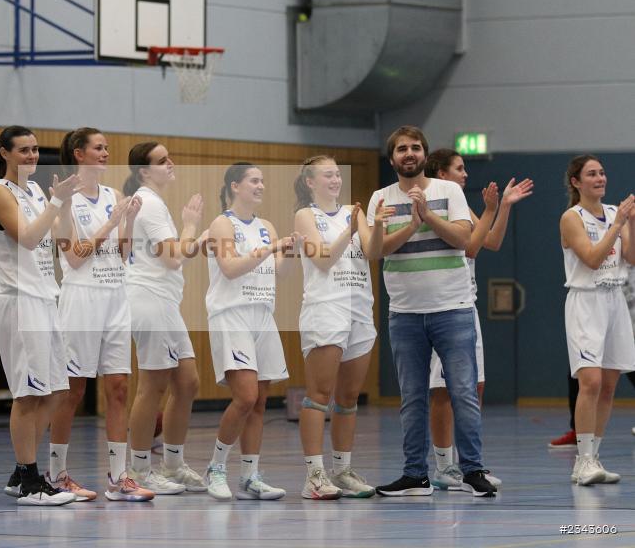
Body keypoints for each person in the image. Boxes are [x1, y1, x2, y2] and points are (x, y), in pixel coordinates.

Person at [370, 125, 497, 498]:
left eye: (414, 148)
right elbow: (377, 251)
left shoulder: (450, 190)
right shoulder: (381, 197)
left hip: (452, 309)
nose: (408, 154)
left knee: (463, 392)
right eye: (401, 149)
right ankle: (415, 474)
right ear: (392, 158)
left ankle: (472, 471)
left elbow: (464, 240)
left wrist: (427, 216)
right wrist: (409, 224)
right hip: (405, 313)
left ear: (424, 154)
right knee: (411, 397)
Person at [48, 127, 154, 502]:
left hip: (115, 296)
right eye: (99, 148)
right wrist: (111, 223)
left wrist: (127, 221)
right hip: (81, 299)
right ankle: (58, 474)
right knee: (73, 390)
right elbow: (75, 257)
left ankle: (118, 477)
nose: (106, 153)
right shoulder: (63, 199)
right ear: (79, 154)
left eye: (107, 147)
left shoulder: (114, 195)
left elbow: (123, 254)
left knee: (120, 387)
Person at [423, 149, 533, 490]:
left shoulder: (458, 202)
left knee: (475, 386)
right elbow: (470, 247)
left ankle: (469, 464)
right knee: (443, 387)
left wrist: (505, 207)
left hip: (465, 303)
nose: (465, 173)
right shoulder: (433, 203)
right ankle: (444, 465)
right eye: (459, 168)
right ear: (441, 173)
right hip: (444, 306)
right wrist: (489, 209)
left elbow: (491, 241)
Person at [0, 126, 79, 506]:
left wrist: (65, 204)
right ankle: (29, 480)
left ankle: (20, 470)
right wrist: (56, 204)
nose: (31, 156)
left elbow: (61, 238)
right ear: (4, 153)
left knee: (58, 390)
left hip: (46, 298)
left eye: (35, 150)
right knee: (27, 395)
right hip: (19, 301)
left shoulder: (37, 192)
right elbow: (26, 236)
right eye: (23, 150)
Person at [293, 155, 393, 499]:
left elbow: (372, 251)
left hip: (359, 309)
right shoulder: (306, 216)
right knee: (319, 396)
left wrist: (376, 225)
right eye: (327, 175)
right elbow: (321, 260)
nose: (335, 179)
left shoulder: (355, 211)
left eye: (337, 174)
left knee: (349, 397)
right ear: (310, 182)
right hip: (325, 308)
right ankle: (314, 476)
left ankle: (342, 469)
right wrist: (348, 231)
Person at [202, 162, 300, 501]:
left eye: (262, 181)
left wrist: (289, 254)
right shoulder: (221, 223)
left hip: (262, 314)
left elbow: (281, 274)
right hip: (231, 314)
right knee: (244, 397)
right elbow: (229, 269)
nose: (260, 186)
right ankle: (215, 468)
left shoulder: (266, 226)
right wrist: (270, 249)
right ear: (234, 186)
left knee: (259, 403)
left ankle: (250, 475)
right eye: (253, 180)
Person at [124, 142, 206, 494]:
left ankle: (172, 465)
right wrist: (192, 229)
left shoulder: (153, 202)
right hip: (149, 300)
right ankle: (139, 470)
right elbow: (174, 257)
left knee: (187, 382)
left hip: (165, 302)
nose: (170, 162)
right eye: (161, 160)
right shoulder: (151, 204)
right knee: (152, 385)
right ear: (144, 171)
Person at [560, 154, 635, 485]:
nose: (600, 178)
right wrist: (618, 224)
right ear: (576, 182)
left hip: (615, 299)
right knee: (589, 382)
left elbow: (630, 257)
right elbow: (591, 259)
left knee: (609, 384)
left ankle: (594, 459)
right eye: (592, 174)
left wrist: (630, 222)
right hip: (586, 301)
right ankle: (583, 459)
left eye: (602, 172)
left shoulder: (615, 214)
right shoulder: (571, 218)